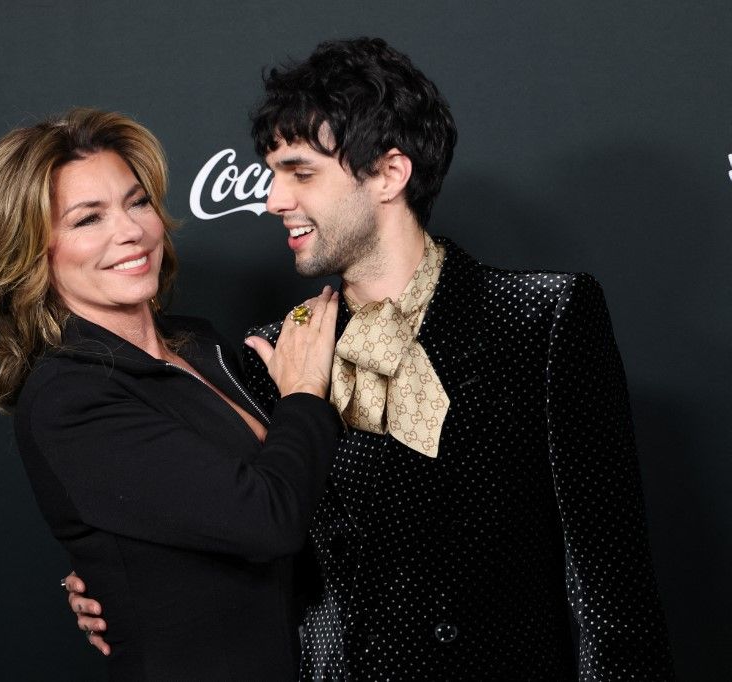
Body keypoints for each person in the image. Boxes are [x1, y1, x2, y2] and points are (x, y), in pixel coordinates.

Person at [66, 39, 676, 679]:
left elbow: (610, 591)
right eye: (272, 172)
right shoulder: (271, 356)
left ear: (389, 173)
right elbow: (231, 525)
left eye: (300, 173)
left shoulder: (541, 318)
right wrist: (115, 575)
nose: (273, 199)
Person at [0, 108, 344, 680]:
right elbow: (268, 518)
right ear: (32, 252)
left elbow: (292, 484)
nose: (130, 231)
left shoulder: (201, 345)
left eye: (136, 202)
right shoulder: (70, 398)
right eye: (88, 219)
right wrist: (306, 392)